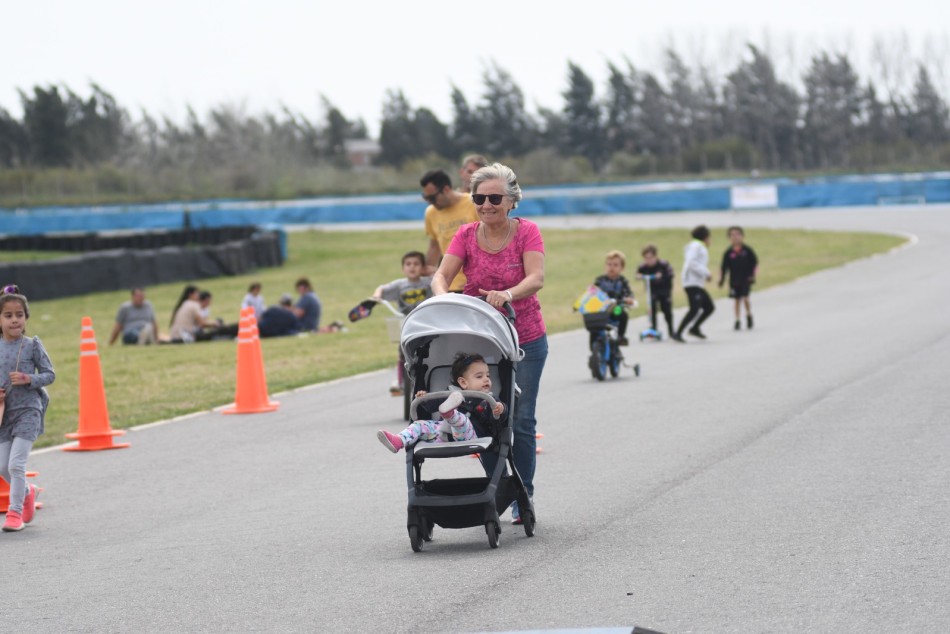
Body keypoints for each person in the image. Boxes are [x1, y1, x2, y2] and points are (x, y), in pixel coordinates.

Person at [431, 162, 547, 525]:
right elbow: (441, 275)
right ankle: (498, 487)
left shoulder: (527, 232)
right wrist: (441, 299)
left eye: (495, 198)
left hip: (524, 336)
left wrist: (507, 294)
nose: (486, 205)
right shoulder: (465, 235)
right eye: (480, 198)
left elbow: (537, 277)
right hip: (480, 340)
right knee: (480, 417)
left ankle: (521, 495)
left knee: (521, 420)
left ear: (512, 200)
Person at [0, 290, 55, 532]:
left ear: (26, 317)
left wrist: (28, 378)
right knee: (2, 467)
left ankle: (14, 513)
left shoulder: (32, 345)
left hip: (28, 411)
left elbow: (49, 375)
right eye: (8, 315)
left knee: (15, 465)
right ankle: (27, 491)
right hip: (4, 415)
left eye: (19, 315)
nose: (15, 320)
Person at [376, 352, 504, 453]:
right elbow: (431, 407)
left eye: (488, 375)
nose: (486, 379)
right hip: (444, 434)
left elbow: (501, 415)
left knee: (461, 421)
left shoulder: (488, 399)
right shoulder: (451, 393)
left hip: (472, 435)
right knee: (420, 425)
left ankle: (450, 413)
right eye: (479, 376)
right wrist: (424, 399)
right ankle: (399, 440)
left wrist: (500, 409)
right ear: (463, 382)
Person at [371, 250, 432, 395]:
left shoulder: (428, 282)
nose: (412, 267)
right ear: (402, 268)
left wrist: (433, 270)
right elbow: (381, 288)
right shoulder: (400, 285)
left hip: (425, 323)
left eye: (416, 264)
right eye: (408, 264)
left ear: (423, 268)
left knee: (429, 350)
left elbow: (441, 278)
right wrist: (376, 296)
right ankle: (400, 381)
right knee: (402, 352)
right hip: (405, 324)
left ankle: (429, 378)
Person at [421, 169, 478, 290]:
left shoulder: (473, 203)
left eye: (432, 198)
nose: (430, 203)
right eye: (426, 198)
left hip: (477, 282)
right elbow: (434, 246)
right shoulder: (431, 213)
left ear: (446, 189)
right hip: (449, 284)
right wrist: (427, 271)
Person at [673, 225, 715, 342]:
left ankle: (695, 328)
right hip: (691, 283)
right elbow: (691, 262)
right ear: (705, 237)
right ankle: (678, 333)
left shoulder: (696, 246)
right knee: (694, 309)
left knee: (709, 307)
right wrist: (706, 273)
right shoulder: (696, 246)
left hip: (697, 283)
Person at [592, 250, 636, 346]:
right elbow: (592, 292)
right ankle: (594, 344)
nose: (611, 267)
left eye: (615, 265)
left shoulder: (622, 281)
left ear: (622, 268)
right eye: (609, 264)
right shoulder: (600, 280)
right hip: (601, 310)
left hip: (616, 309)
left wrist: (629, 299)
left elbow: (629, 294)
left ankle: (621, 336)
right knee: (592, 321)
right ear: (605, 266)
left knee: (623, 314)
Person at [719, 226, 759, 331]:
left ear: (742, 236)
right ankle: (737, 319)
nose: (735, 237)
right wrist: (721, 280)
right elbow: (723, 268)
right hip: (734, 279)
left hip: (746, 278)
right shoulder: (728, 253)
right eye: (732, 235)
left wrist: (753, 275)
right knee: (736, 299)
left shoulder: (747, 250)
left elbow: (755, 263)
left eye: (737, 234)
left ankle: (748, 314)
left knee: (745, 298)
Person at [636, 244, 676, 338]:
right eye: (646, 258)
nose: (649, 260)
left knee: (666, 310)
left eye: (651, 257)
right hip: (652, 291)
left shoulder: (663, 265)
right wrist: (639, 276)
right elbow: (637, 274)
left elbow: (671, 274)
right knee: (651, 308)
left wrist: (662, 276)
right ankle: (653, 329)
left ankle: (671, 330)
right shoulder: (643, 267)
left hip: (664, 290)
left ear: (655, 256)